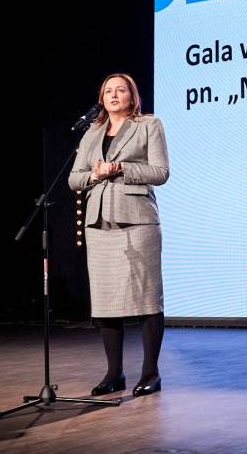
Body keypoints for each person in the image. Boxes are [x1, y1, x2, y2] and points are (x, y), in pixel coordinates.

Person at [68, 73, 170, 397]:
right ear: (101, 99)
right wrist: (95, 175)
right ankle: (114, 374)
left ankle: (151, 373)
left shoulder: (149, 125)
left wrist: (122, 169)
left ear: (132, 96)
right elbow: (73, 179)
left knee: (147, 298)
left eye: (120, 90)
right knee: (106, 301)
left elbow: (161, 172)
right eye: (108, 91)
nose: (114, 95)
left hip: (138, 222)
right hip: (99, 224)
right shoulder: (92, 133)